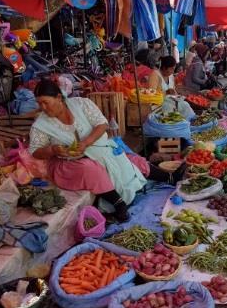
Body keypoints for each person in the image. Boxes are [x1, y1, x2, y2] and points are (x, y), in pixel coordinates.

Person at [30, 80, 185, 222]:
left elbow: (102, 124)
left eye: (45, 102)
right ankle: (119, 205)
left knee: (126, 157)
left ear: (59, 97)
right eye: (39, 103)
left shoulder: (81, 104)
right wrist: (53, 149)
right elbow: (35, 151)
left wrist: (85, 143)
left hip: (95, 147)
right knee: (90, 168)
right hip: (65, 163)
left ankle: (168, 177)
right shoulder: (41, 125)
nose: (42, 107)